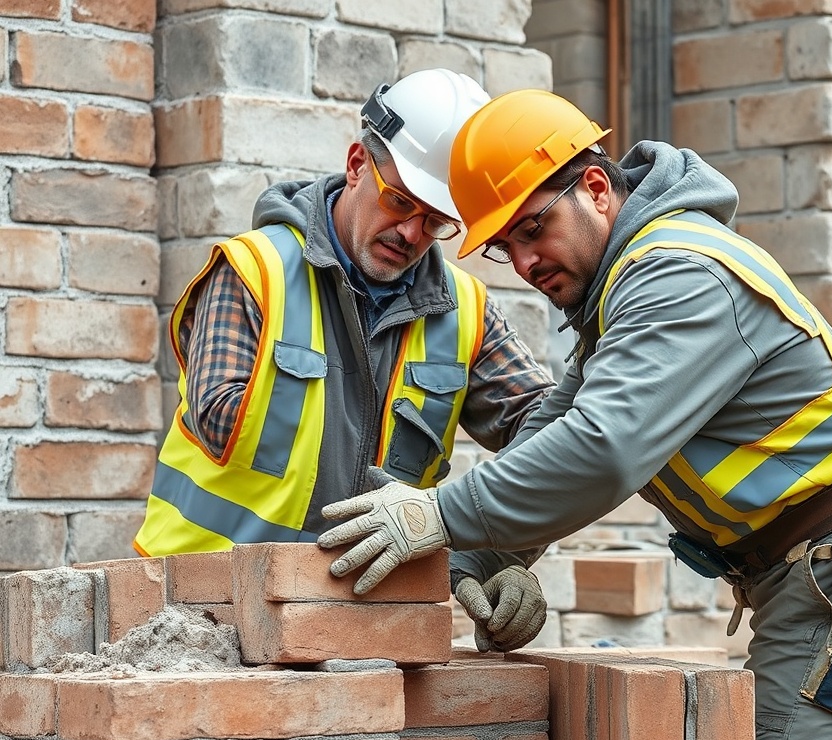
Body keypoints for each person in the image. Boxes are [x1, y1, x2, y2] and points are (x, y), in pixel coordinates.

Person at [316, 89, 832, 740]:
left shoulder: (677, 273)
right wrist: (483, 562)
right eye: (504, 248)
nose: (524, 263)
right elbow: (560, 421)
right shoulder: (630, 292)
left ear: (598, 189)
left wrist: (435, 515)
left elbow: (603, 448)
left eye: (533, 229)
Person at [134, 70, 556, 653]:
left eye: (436, 221)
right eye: (400, 201)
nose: (412, 233)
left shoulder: (466, 312)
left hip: (361, 634)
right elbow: (223, 421)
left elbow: (554, 438)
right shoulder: (255, 274)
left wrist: (492, 556)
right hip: (198, 623)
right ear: (357, 163)